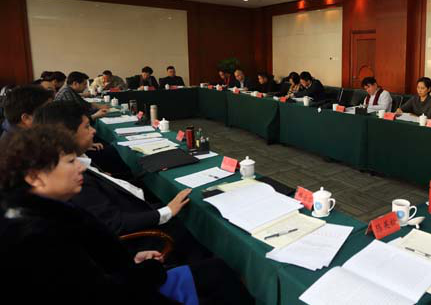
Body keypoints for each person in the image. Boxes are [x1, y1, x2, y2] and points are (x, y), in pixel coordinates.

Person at [0, 125, 253, 305]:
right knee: (220, 277)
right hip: (132, 290)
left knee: (217, 270)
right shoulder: (33, 238)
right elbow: (103, 293)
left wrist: (131, 260)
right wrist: (148, 271)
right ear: (34, 176)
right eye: (69, 162)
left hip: (128, 274)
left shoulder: (47, 211)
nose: (80, 167)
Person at [33, 102, 192, 236]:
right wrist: (168, 211)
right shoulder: (73, 179)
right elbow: (114, 223)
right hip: (145, 231)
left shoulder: (76, 158)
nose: (93, 130)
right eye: (87, 127)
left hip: (135, 204)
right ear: (67, 134)